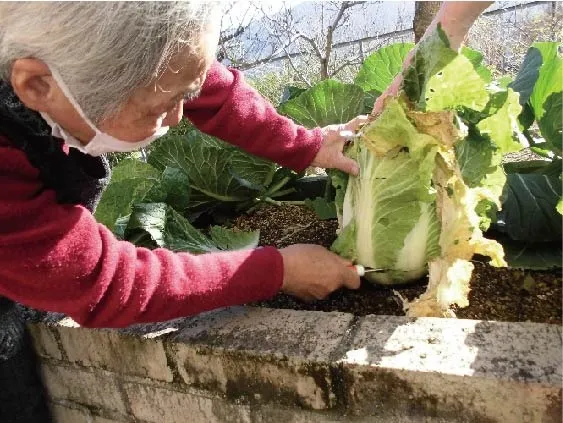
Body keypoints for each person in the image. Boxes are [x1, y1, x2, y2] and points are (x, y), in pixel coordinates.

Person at [0, 2, 492, 422]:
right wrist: (276, 270)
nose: (178, 117)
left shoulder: (74, 49)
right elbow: (106, 285)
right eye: (159, 107)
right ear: (38, 86)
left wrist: (308, 146)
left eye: (182, 100)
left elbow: (203, 88)